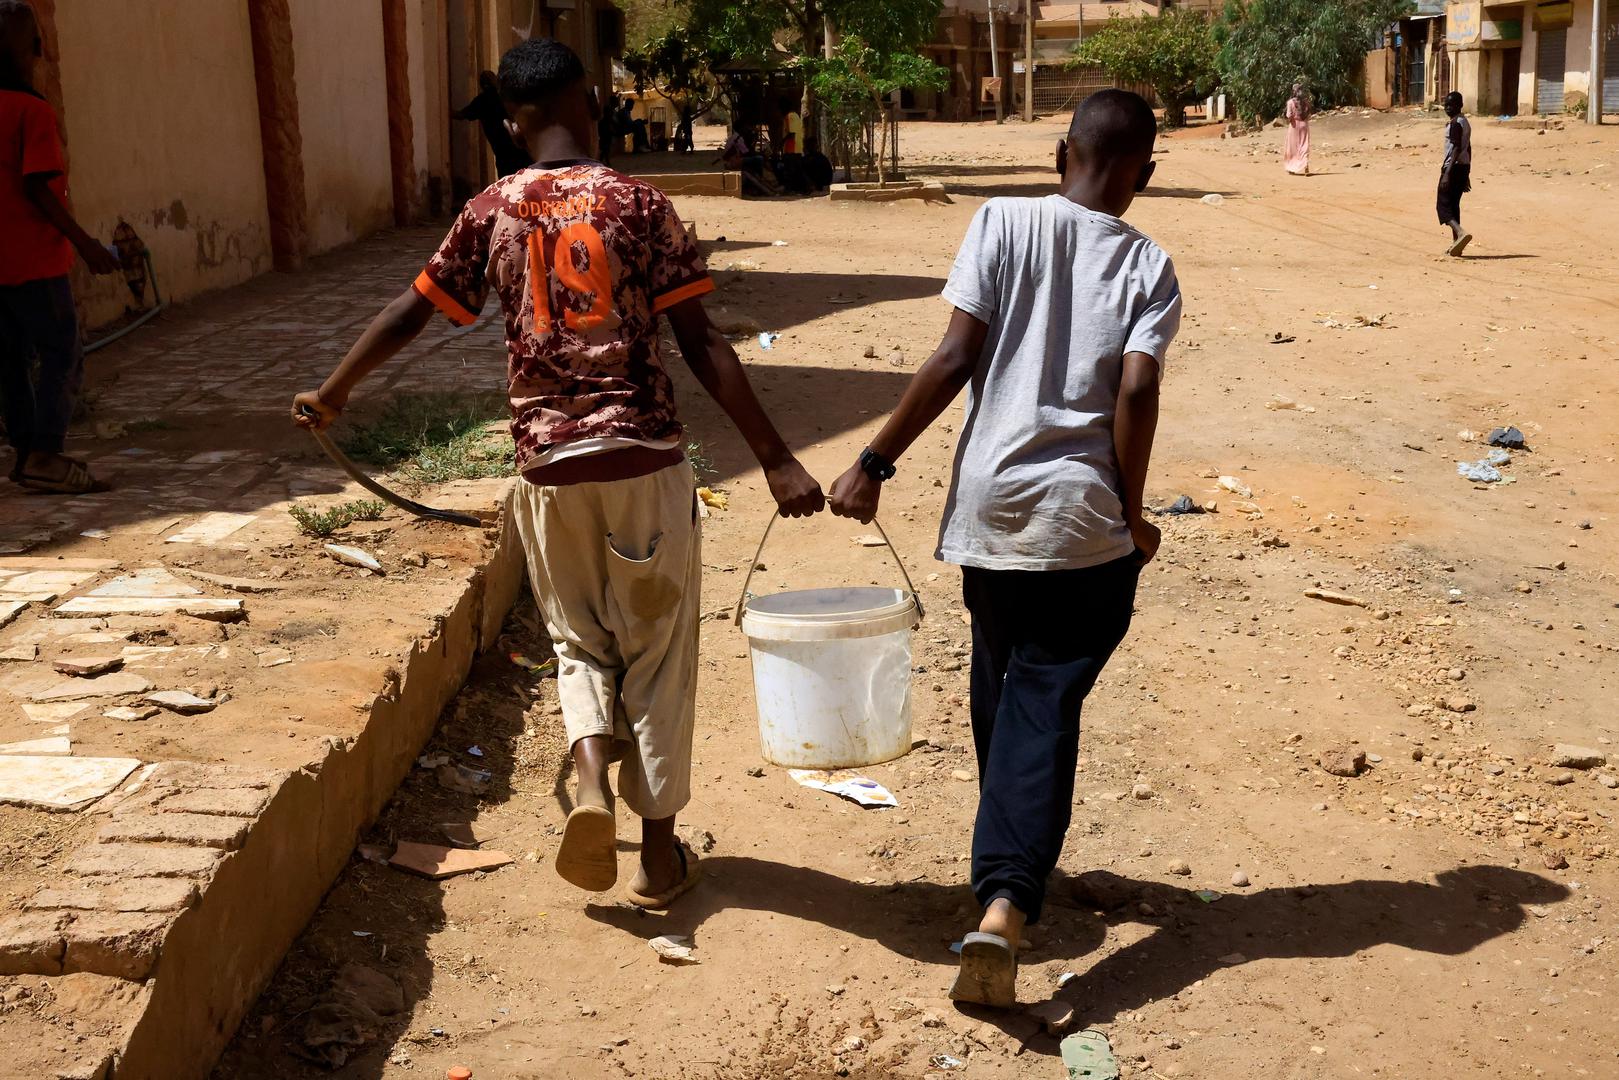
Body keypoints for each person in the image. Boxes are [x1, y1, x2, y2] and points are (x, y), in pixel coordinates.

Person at [292, 38, 823, 909]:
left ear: (511, 119)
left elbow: (408, 313)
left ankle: (587, 784)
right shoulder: (639, 204)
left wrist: (333, 392)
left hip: (548, 468)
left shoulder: (490, 209)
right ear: (593, 103)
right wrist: (775, 458)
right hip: (642, 458)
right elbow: (700, 342)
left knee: (578, 642)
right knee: (658, 653)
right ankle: (656, 856)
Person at [828, 89, 1181, 1007]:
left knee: (1005, 683)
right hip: (1083, 520)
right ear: (1142, 173)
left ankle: (1005, 871)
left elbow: (953, 359)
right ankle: (1005, 907)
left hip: (992, 513)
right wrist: (1133, 513)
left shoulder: (1001, 220)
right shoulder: (1149, 261)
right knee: (1041, 703)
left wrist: (873, 461)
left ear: (1060, 152)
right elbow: (1135, 393)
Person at [1, 0, 118, 495]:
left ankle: (27, 454)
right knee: (62, 351)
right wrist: (88, 244)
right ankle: (47, 454)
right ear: (34, 47)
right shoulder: (31, 110)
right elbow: (38, 187)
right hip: (33, 261)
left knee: (9, 360)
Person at [453, 70, 530, 178]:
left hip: (501, 150)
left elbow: (461, 115)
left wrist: (442, 110)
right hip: (519, 148)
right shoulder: (505, 96)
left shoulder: (481, 101)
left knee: (507, 181)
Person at [1438, 90, 1472, 257]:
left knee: (1443, 205)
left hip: (1452, 168)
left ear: (1459, 105)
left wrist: (1446, 174)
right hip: (1463, 167)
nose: (1448, 108)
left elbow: (1457, 148)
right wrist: (1467, 174)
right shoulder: (1464, 122)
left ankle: (1460, 232)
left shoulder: (1455, 124)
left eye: (1451, 105)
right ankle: (1456, 244)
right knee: (1454, 205)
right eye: (1446, 105)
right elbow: (1468, 148)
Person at [1284, 81, 1310, 176]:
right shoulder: (1306, 102)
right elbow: (1308, 114)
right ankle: (1305, 165)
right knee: (1304, 145)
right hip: (1304, 125)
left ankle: (1291, 167)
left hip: (1294, 125)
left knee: (1292, 147)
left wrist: (1291, 121)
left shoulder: (1290, 102)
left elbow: (1289, 115)